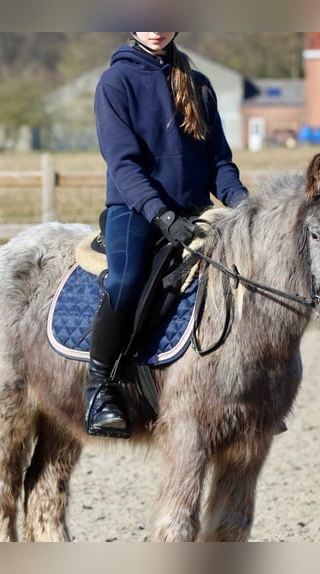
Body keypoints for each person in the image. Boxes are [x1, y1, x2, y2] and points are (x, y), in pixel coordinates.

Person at [86, 32, 249, 438]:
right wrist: (159, 214)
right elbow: (123, 164)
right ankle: (100, 387)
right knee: (126, 281)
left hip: (195, 210)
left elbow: (220, 163)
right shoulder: (115, 82)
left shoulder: (198, 84)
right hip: (135, 209)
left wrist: (245, 206)